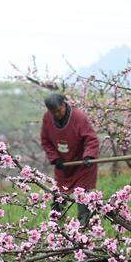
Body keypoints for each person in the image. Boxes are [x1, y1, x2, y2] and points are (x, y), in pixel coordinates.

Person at [39, 93, 100, 225]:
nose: (57, 115)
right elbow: (46, 141)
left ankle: (84, 226)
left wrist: (88, 156)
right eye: (53, 112)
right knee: (58, 197)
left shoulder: (78, 117)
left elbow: (91, 139)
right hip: (63, 165)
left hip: (82, 164)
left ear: (64, 104)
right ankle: (55, 226)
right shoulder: (47, 118)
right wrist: (54, 159)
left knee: (82, 198)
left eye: (59, 111)